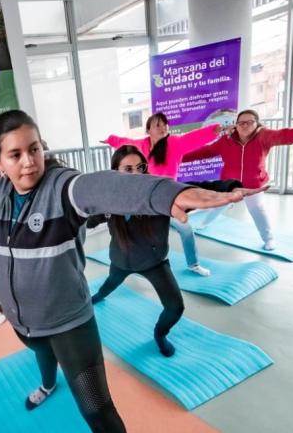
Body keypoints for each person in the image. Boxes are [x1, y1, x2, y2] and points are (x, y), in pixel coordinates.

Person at [0, 109, 259, 433]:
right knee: (37, 350)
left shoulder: (63, 190)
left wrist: (166, 194)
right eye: (15, 154)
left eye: (35, 149)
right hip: (23, 318)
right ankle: (47, 384)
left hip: (70, 323)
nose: (29, 162)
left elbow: (107, 187)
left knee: (97, 410)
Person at [87, 146, 252, 357]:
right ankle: (99, 296)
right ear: (116, 172)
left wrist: (232, 188)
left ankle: (160, 334)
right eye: (128, 169)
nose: (136, 174)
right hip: (121, 261)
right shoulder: (111, 199)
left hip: (154, 262)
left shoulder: (158, 193)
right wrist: (93, 213)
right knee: (109, 285)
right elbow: (90, 219)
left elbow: (193, 189)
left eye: (140, 167)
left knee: (175, 308)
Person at [182, 109, 293, 250]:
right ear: (236, 124)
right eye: (241, 122)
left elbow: (286, 135)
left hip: (254, 185)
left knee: (256, 210)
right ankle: (204, 223)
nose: (245, 125)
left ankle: (268, 239)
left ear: (257, 124)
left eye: (250, 122)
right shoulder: (226, 141)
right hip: (230, 184)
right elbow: (205, 152)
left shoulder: (264, 136)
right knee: (218, 205)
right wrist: (177, 157)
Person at [103, 113, 224, 276]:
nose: (163, 127)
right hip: (145, 198)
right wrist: (110, 139)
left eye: (165, 124)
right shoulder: (141, 146)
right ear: (148, 130)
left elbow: (193, 138)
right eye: (158, 125)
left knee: (186, 229)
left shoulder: (174, 143)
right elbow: (124, 142)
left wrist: (213, 131)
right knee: (136, 232)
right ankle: (133, 264)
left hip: (167, 197)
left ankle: (193, 264)